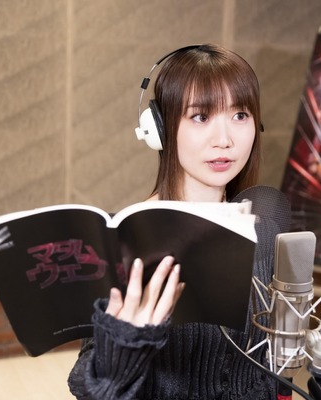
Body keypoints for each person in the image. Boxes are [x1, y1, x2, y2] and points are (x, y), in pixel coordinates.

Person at [67, 44, 280, 399]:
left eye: (240, 115)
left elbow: (267, 370)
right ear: (160, 128)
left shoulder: (265, 232)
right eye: (201, 117)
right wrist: (125, 344)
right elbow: (90, 386)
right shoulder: (125, 239)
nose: (225, 140)